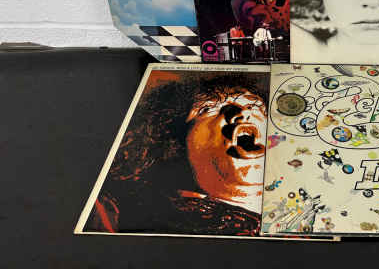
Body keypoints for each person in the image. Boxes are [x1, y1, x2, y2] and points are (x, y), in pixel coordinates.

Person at [86, 72, 269, 236]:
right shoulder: (115, 212)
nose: (242, 113)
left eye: (254, 106)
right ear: (173, 142)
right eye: (208, 108)